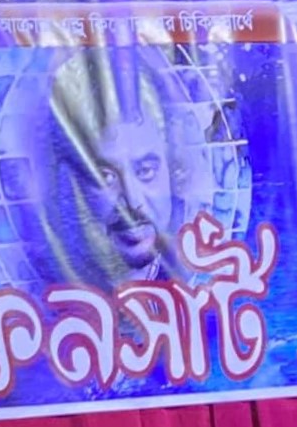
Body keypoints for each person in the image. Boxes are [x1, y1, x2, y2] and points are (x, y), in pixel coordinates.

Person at [34, 47, 192, 292]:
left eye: (146, 171)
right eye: (104, 177)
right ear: (65, 181)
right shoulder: (43, 285)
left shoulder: (197, 277)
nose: (133, 201)